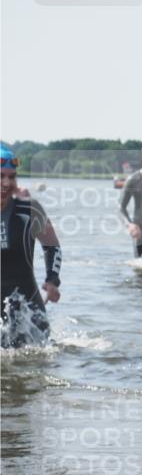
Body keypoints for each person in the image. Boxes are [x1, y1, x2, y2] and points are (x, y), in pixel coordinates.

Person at [1, 144, 62, 345]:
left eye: (11, 177)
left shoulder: (29, 209)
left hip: (28, 305)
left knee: (43, 356)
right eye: (1, 176)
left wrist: (52, 280)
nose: (6, 183)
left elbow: (52, 246)